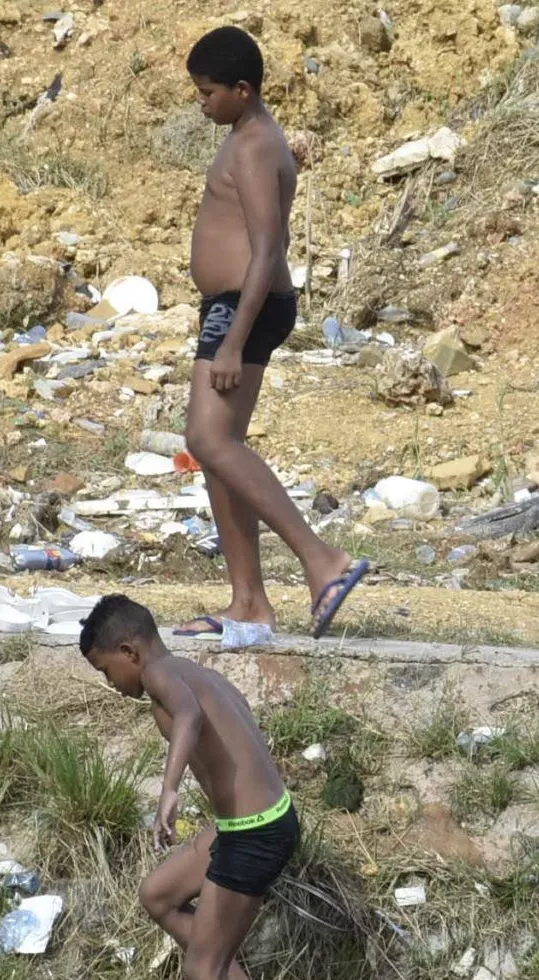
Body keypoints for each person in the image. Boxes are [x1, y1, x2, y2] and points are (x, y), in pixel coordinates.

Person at [173, 26, 368, 647]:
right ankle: (249, 603)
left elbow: (267, 248)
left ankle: (323, 560)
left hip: (245, 306)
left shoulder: (256, 145)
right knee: (216, 448)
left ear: (242, 89)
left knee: (206, 437)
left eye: (207, 93)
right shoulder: (248, 135)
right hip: (233, 305)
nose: (200, 103)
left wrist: (233, 340)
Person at [80, 593, 299, 980]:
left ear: (130, 653)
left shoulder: (161, 675)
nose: (111, 685)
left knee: (202, 970)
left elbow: (190, 716)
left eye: (106, 672)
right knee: (158, 894)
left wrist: (169, 791)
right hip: (251, 824)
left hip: (254, 831)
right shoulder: (194, 671)